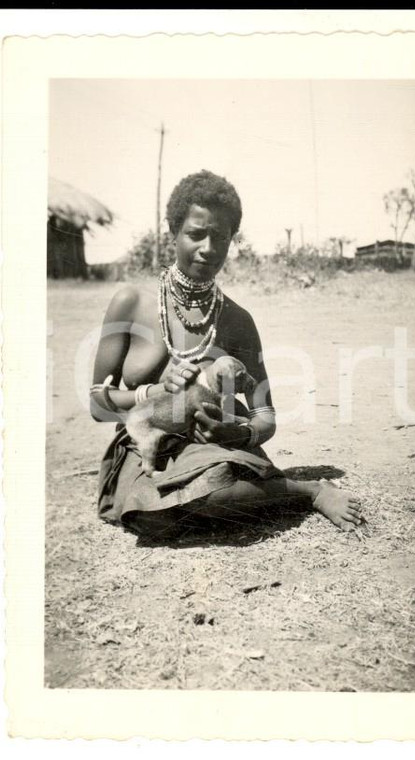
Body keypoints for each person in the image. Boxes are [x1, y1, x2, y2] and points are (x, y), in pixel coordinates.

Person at [91, 169, 363, 538]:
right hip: (148, 445)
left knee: (209, 491)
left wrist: (240, 435)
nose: (208, 247)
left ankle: (308, 491)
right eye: (195, 234)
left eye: (220, 237)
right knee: (152, 511)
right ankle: (254, 495)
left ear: (231, 241)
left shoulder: (237, 321)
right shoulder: (131, 302)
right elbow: (98, 406)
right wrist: (154, 393)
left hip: (215, 450)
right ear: (173, 232)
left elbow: (265, 416)